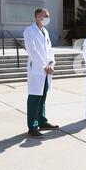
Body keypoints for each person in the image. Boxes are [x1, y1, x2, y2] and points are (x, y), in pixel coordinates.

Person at [23, 8, 59, 138]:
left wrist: (51, 63)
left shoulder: (45, 31)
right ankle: (32, 126)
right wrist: (44, 66)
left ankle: (42, 121)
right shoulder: (29, 31)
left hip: (46, 70)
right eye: (46, 16)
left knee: (43, 96)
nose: (48, 18)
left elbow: (50, 50)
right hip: (37, 70)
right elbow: (32, 50)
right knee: (34, 98)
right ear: (38, 16)